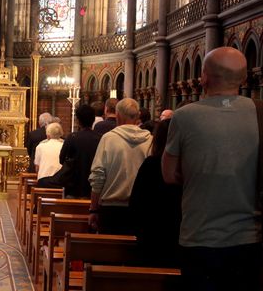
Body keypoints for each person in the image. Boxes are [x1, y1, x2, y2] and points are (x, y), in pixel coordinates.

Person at [162, 47, 262, 290]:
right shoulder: (260, 113)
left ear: (204, 77)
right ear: (244, 78)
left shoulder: (184, 116)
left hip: (199, 236)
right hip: (250, 237)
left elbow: (169, 175)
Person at [88, 98, 152, 235]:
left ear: (118, 115)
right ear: (138, 116)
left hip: (111, 209)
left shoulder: (108, 139)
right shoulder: (150, 140)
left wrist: (93, 209)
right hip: (141, 208)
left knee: (110, 254)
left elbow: (98, 176)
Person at [129, 119, 181, 267]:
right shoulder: (188, 165)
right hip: (178, 233)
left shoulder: (151, 165)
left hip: (151, 234)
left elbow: (136, 203)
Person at [38, 105, 101, 198]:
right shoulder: (101, 138)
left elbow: (62, 160)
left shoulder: (72, 137)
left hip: (74, 184)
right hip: (93, 183)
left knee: (42, 182)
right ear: (93, 120)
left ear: (78, 121)